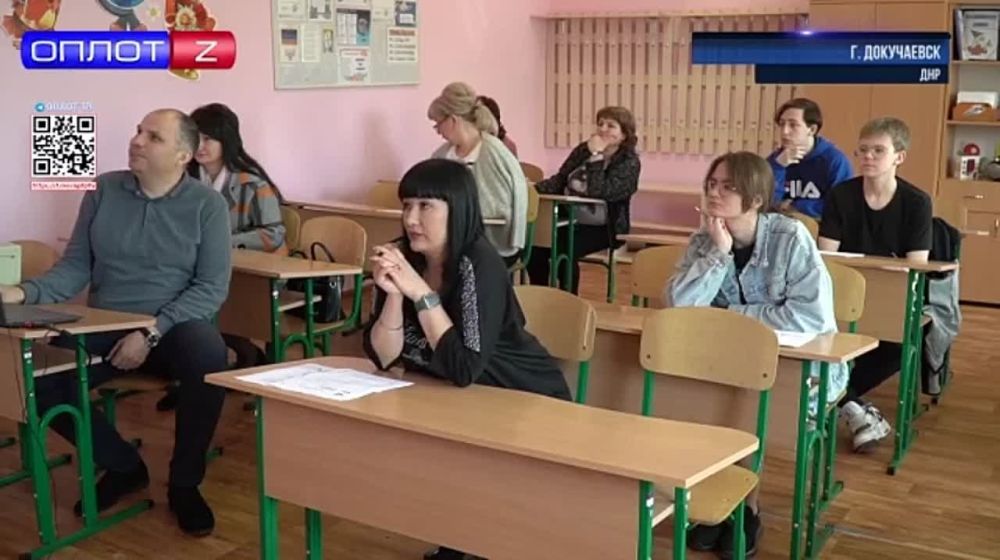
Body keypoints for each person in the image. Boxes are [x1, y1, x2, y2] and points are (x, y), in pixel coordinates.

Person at [0, 109, 232, 537]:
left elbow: (211, 288)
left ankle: (185, 484)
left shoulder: (208, 205)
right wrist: (21, 293)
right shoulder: (103, 190)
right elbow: (75, 267)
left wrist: (151, 332)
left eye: (154, 137)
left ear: (183, 155)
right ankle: (124, 466)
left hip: (174, 326)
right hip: (104, 324)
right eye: (138, 132)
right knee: (39, 378)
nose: (137, 141)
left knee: (208, 355)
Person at [363, 159, 571, 560]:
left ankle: (479, 543)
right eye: (407, 205)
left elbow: (464, 367)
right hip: (462, 396)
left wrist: (421, 295)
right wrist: (393, 295)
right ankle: (461, 541)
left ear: (457, 209)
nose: (411, 219)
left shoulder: (478, 263)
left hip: (521, 394)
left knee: (480, 481)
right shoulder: (403, 258)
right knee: (447, 467)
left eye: (426, 206)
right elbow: (383, 356)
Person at [668, 151, 843, 559]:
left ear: (757, 198)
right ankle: (721, 502)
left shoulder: (790, 237)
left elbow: (808, 317)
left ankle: (746, 508)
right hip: (728, 361)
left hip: (800, 366)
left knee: (747, 409)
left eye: (728, 187)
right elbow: (679, 308)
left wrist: (729, 317)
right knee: (696, 399)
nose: (715, 193)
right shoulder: (705, 238)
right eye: (712, 184)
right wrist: (718, 253)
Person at [152, 102, 283, 412]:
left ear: (227, 141)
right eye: (196, 138)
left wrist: (222, 243)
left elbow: (274, 233)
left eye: (209, 139)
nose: (201, 146)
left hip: (245, 273)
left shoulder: (252, 183)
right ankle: (192, 378)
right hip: (197, 271)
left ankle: (242, 361)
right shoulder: (182, 181)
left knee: (217, 309)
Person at [818, 116, 932, 453]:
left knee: (899, 343)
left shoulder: (916, 202)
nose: (868, 156)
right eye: (863, 150)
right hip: (845, 293)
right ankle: (852, 407)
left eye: (878, 150)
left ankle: (833, 400)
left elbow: (916, 265)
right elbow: (826, 257)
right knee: (821, 338)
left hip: (891, 297)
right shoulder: (841, 195)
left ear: (899, 157)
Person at [529, 106, 640, 293]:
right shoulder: (583, 150)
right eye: (600, 124)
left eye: (611, 126)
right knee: (536, 245)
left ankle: (568, 298)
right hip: (567, 218)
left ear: (624, 134)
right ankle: (539, 294)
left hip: (604, 227)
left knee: (564, 247)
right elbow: (561, 179)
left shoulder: (629, 162)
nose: (603, 129)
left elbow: (599, 191)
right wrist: (532, 189)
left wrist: (596, 156)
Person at [428, 82, 528, 266]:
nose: (438, 132)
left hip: (492, 244)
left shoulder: (494, 153)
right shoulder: (441, 155)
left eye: (438, 125)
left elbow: (500, 210)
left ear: (453, 120)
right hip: (451, 241)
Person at [767, 98, 852, 219]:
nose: (784, 131)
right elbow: (763, 201)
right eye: (782, 124)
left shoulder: (834, 160)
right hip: (780, 221)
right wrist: (778, 167)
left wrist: (797, 206)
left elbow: (841, 205)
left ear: (812, 129)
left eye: (793, 125)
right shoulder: (777, 159)